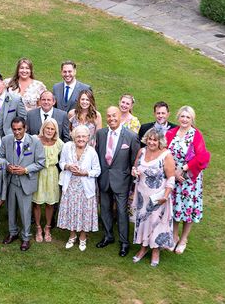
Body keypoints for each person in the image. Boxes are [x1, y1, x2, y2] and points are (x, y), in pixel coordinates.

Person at [165, 105, 210, 255]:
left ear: (192, 119)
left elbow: (202, 156)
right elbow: (165, 153)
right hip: (174, 176)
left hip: (189, 179)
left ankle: (184, 239)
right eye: (182, 116)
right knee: (176, 208)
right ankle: (174, 235)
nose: (184, 119)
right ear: (178, 117)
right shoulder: (171, 133)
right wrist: (173, 172)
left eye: (188, 117)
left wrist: (184, 169)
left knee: (188, 209)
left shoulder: (196, 134)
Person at [95, 106, 140, 257]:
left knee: (121, 212)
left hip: (122, 180)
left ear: (120, 116)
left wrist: (131, 182)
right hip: (104, 178)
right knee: (105, 209)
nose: (111, 118)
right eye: (108, 116)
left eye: (114, 115)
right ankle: (108, 236)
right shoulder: (100, 134)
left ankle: (124, 242)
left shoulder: (131, 136)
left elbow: (134, 161)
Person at [0, 117, 45, 251]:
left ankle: (25, 237)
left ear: (25, 128)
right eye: (14, 129)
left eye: (19, 129)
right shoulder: (6, 140)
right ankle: (12, 232)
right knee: (11, 209)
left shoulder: (35, 142)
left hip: (26, 181)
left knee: (25, 212)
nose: (17, 132)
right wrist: (7, 166)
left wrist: (25, 170)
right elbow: (0, 157)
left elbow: (41, 162)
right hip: (11, 182)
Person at [131, 128, 176, 267]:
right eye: (149, 139)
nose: (151, 142)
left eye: (155, 140)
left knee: (156, 222)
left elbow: (171, 178)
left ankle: (155, 251)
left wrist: (166, 196)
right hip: (142, 195)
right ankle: (143, 248)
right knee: (143, 221)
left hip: (158, 197)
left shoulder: (166, 155)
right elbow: (135, 166)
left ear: (160, 141)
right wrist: (134, 171)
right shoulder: (142, 151)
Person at [57, 125, 101, 252]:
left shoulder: (92, 152)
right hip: (70, 185)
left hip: (85, 188)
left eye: (83, 136)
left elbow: (97, 170)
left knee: (83, 212)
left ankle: (82, 237)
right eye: (78, 136)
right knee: (71, 210)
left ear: (88, 138)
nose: (80, 139)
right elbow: (61, 163)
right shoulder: (67, 147)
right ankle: (72, 236)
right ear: (73, 137)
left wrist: (85, 173)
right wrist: (67, 167)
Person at [32, 118, 64, 243]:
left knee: (50, 203)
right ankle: (38, 227)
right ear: (43, 128)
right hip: (38, 173)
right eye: (47, 128)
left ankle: (48, 228)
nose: (49, 131)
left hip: (52, 174)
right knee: (37, 202)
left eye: (52, 129)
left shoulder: (59, 143)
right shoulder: (36, 140)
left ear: (55, 131)